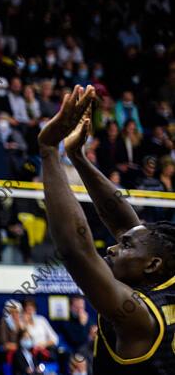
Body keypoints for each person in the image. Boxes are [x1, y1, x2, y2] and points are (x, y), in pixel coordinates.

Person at [38, 84, 175, 374]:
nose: (112, 247)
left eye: (125, 247)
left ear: (152, 265)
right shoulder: (165, 277)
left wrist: (50, 152)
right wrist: (77, 156)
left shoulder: (139, 317)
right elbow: (126, 223)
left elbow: (76, 251)